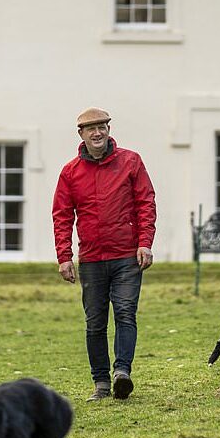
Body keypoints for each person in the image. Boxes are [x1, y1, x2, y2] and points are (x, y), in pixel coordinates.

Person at [52, 107, 157, 401]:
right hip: (92, 260)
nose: (97, 133)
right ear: (81, 134)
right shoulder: (70, 172)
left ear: (109, 130)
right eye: (91, 129)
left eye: (102, 127)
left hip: (127, 256)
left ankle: (122, 372)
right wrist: (64, 255)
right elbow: (62, 215)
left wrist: (144, 242)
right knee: (95, 322)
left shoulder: (131, 162)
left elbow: (145, 203)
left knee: (125, 313)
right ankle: (100, 383)